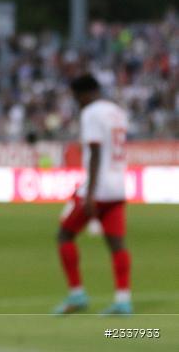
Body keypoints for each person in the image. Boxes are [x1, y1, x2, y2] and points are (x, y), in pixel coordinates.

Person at [54, 74, 132, 315]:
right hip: (118, 186)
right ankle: (123, 300)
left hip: (97, 188)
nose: (77, 102)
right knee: (116, 243)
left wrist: (90, 194)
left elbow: (96, 151)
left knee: (65, 235)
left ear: (84, 93)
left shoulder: (90, 113)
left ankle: (77, 295)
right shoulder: (117, 112)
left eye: (76, 97)